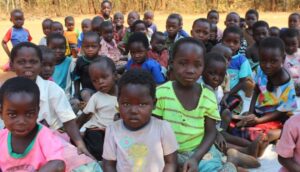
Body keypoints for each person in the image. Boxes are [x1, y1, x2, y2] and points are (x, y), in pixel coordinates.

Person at [153, 37, 236, 172]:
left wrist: (195, 158)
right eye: (183, 63)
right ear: (172, 63)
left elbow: (210, 132)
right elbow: (154, 129)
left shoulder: (208, 96)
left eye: (197, 65)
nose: (190, 70)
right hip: (168, 153)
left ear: (203, 67)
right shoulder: (161, 93)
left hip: (199, 151)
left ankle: (231, 163)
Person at [9, 42, 92, 159]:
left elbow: (68, 120)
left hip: (52, 139)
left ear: (40, 65)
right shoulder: (6, 90)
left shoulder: (53, 90)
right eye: (21, 62)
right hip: (19, 141)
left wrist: (80, 144)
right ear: (12, 65)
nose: (28, 66)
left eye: (33, 62)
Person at [0, 77, 102, 171]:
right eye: (12, 115)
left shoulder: (44, 136)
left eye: (29, 114)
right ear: (1, 114)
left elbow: (58, 164)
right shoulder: (2, 138)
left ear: (37, 112)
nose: (21, 121)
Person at [102, 69, 178, 172]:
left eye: (142, 104)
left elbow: (171, 163)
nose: (133, 111)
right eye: (126, 104)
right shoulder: (112, 130)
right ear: (118, 102)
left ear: (154, 103)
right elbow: (109, 165)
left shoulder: (163, 128)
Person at [237, 37, 297, 155]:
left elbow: (283, 111)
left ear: (283, 59)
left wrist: (258, 120)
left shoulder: (285, 82)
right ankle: (261, 138)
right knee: (239, 123)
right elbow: (257, 90)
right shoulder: (260, 70)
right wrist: (250, 112)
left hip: (279, 116)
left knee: (272, 130)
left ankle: (277, 134)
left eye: (273, 61)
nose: (268, 65)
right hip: (261, 113)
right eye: (263, 60)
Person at [200, 52, 261, 169]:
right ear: (202, 70)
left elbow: (216, 111)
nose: (216, 78)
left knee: (224, 134)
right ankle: (238, 152)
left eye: (220, 75)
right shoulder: (201, 89)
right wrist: (216, 133)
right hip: (204, 129)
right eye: (211, 73)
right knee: (216, 140)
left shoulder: (217, 89)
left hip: (213, 125)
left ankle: (249, 147)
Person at [76, 57, 118, 161]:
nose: (100, 82)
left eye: (104, 77)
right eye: (95, 80)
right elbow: (84, 116)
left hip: (115, 131)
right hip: (96, 129)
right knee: (98, 149)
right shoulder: (97, 97)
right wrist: (75, 135)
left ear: (115, 76)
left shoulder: (124, 95)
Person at [73, 31, 101, 106]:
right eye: (87, 47)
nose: (90, 49)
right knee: (84, 95)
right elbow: (77, 79)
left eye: (93, 46)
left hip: (102, 90)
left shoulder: (103, 61)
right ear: (82, 47)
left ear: (99, 47)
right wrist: (76, 94)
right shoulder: (80, 61)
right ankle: (90, 111)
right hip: (87, 90)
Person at [47, 33, 75, 97]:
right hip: (48, 95)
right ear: (47, 47)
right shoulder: (45, 63)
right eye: (54, 48)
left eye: (61, 48)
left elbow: (73, 82)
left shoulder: (70, 62)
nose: (58, 51)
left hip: (65, 95)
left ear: (66, 48)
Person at [281, 28, 300, 100]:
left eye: (294, 44)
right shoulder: (281, 56)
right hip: (286, 89)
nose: (290, 47)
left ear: (298, 42)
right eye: (287, 44)